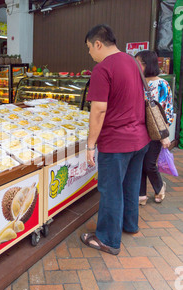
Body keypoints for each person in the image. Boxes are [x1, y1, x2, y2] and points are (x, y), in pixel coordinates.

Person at [80, 24, 151, 255]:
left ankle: (108, 240)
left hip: (116, 142)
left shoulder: (102, 69)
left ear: (98, 44)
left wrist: (90, 145)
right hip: (140, 139)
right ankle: (129, 225)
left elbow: (98, 110)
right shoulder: (132, 62)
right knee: (130, 185)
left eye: (90, 48)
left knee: (111, 190)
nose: (90, 53)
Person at [135, 50, 174, 205]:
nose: (136, 65)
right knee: (139, 163)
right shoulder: (138, 81)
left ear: (147, 64)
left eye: (138, 62)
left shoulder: (162, 84)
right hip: (139, 130)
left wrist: (165, 135)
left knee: (149, 163)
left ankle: (159, 187)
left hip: (155, 132)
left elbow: (166, 111)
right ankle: (141, 194)